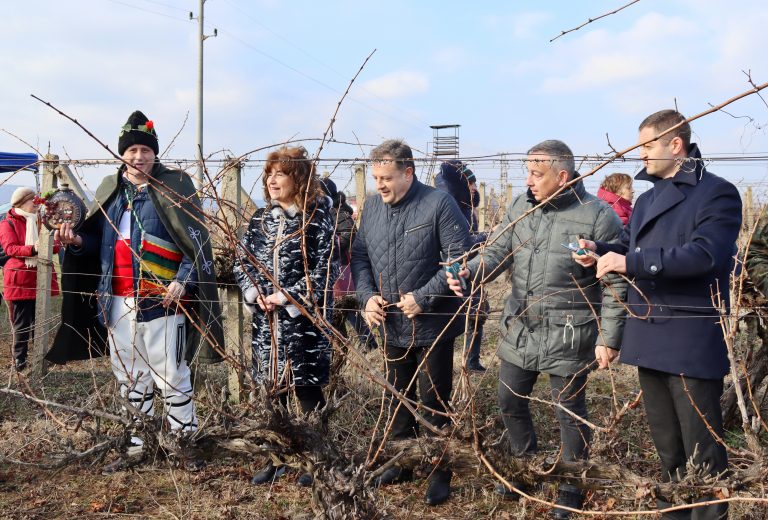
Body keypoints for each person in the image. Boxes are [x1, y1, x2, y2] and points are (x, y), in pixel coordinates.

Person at [447, 140, 627, 519]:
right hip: (522, 327)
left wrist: (609, 338)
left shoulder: (598, 217)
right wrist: (471, 271)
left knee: (569, 411)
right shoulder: (520, 207)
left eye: (536, 173)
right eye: (526, 171)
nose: (527, 180)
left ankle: (571, 483)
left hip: (570, 332)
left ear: (562, 176)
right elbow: (498, 253)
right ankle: (524, 468)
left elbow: (614, 284)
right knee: (510, 401)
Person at [575, 110, 741, 520]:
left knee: (702, 452)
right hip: (648, 335)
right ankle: (673, 514)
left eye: (647, 145)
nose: (640, 154)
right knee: (668, 447)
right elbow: (630, 243)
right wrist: (597, 249)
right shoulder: (648, 198)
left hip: (690, 338)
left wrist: (630, 263)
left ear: (675, 145)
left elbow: (706, 254)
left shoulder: (717, 193)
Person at [51, 110, 224, 472]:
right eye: (132, 151)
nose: (139, 157)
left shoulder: (176, 187)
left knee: (172, 375)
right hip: (117, 302)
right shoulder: (110, 191)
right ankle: (136, 446)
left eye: (145, 150)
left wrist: (184, 278)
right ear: (121, 154)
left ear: (155, 153)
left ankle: (183, 444)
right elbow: (96, 239)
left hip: (164, 302)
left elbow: (196, 240)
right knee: (130, 376)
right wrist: (77, 240)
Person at [350, 139, 471, 506]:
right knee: (397, 396)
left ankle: (439, 468)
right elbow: (359, 257)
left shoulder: (439, 204)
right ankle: (401, 461)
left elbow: (458, 258)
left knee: (434, 399)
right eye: (375, 178)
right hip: (390, 322)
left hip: (433, 322)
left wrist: (424, 296)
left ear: (408, 172)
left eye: (386, 177)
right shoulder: (371, 208)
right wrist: (367, 295)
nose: (380, 185)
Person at [234, 146, 337, 488]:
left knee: (307, 391)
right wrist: (255, 293)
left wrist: (289, 296)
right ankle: (277, 458)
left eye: (281, 173)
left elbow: (327, 267)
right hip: (266, 324)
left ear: (300, 178)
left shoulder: (318, 218)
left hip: (303, 324)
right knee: (271, 391)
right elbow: (242, 262)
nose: (272, 179)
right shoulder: (260, 220)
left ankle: (315, 459)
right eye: (269, 173)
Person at [434, 160, 489, 372]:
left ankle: (471, 361)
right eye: (472, 184)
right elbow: (457, 244)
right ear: (463, 184)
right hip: (452, 269)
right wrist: (483, 237)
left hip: (470, 267)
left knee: (476, 315)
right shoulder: (450, 204)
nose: (475, 188)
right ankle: (455, 362)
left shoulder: (465, 204)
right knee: (458, 317)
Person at [0, 187, 60, 371]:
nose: (35, 203)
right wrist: (33, 249)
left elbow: (55, 248)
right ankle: (20, 359)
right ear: (20, 203)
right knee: (21, 324)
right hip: (19, 280)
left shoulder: (42, 221)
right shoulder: (7, 223)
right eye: (31, 200)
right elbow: (10, 249)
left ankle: (40, 359)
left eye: (36, 200)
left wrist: (52, 241)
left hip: (40, 277)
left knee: (40, 322)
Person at [320, 177, 378, 351]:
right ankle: (342, 344)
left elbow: (349, 234)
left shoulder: (338, 213)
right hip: (331, 268)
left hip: (341, 269)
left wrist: (329, 245)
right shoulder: (321, 212)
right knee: (336, 308)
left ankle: (368, 343)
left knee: (347, 308)